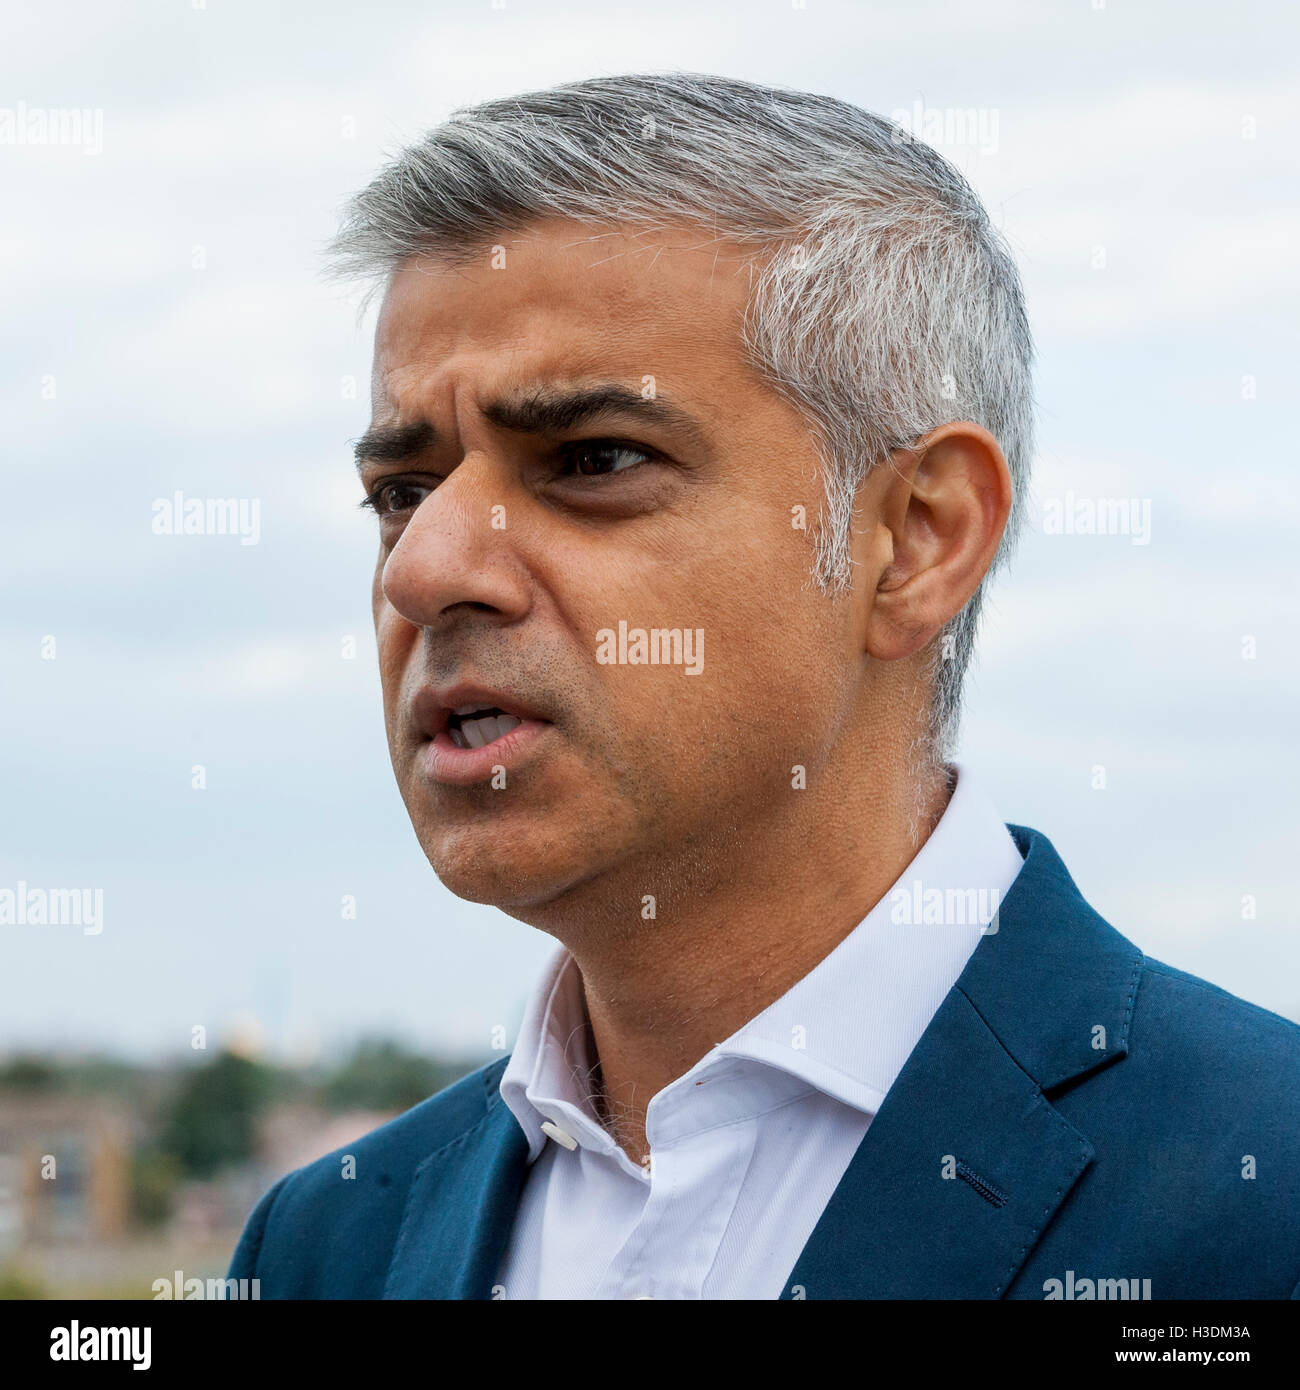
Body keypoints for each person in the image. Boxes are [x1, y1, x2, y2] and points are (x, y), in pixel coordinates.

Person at [230, 72, 1300, 1299]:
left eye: (591, 459)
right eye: (401, 492)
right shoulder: (325, 1246)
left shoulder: (1262, 1199)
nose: (423, 569)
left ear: (914, 539)